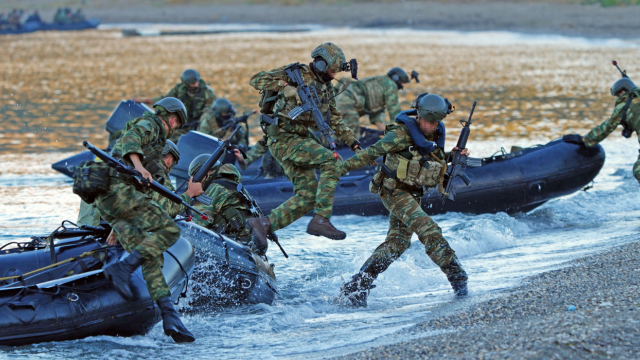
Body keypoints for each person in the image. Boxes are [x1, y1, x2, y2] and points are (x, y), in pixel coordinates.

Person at [339, 93, 468, 307]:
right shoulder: (399, 134)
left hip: (413, 192)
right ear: (418, 116)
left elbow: (432, 160)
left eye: (435, 123)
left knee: (398, 243)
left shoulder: (435, 134)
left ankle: (358, 284)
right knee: (429, 230)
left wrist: (453, 157)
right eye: (427, 122)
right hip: (394, 190)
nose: (430, 127)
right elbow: (371, 152)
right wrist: (339, 169)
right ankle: (459, 280)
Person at [93, 97, 203, 343]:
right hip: (117, 193)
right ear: (173, 119)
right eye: (175, 125)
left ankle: (170, 316)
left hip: (117, 201)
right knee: (169, 232)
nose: (173, 128)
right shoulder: (152, 124)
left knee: (152, 255)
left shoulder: (154, 150)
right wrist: (139, 167)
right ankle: (122, 267)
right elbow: (130, 141)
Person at [246, 42, 360, 242]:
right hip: (282, 137)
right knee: (332, 161)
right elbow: (256, 79)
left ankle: (264, 225)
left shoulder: (326, 89)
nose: (333, 75)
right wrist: (285, 87)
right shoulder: (294, 73)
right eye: (331, 70)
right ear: (321, 65)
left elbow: (334, 119)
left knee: (308, 195)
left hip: (299, 137)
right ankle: (321, 219)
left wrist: (353, 143)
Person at [188, 155, 267, 255]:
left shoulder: (214, 188)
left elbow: (195, 224)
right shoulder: (239, 189)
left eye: (196, 179)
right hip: (254, 250)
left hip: (236, 250)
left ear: (204, 174)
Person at [565, 77, 640, 183]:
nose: (618, 98)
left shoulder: (625, 105)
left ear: (623, 91)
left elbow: (607, 127)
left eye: (618, 95)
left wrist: (585, 140)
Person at [133, 69, 216, 142]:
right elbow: (165, 100)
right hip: (182, 125)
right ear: (186, 83)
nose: (196, 85)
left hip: (199, 127)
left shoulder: (207, 92)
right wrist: (144, 100)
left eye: (197, 82)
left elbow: (208, 111)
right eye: (193, 84)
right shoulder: (179, 89)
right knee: (165, 140)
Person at [336, 67, 415, 134]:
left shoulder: (381, 83)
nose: (402, 85)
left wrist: (383, 132)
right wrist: (402, 131)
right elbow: (394, 111)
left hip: (343, 100)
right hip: (348, 102)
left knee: (341, 132)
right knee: (352, 136)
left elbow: (374, 113)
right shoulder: (391, 85)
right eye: (402, 82)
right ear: (395, 78)